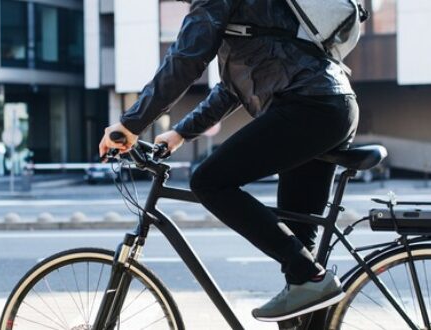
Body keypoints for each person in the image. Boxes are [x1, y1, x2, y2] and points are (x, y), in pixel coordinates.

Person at [97, 0, 359, 321]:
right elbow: (231, 88)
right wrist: (180, 134)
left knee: (208, 181)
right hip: (328, 104)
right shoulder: (249, 16)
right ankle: (308, 285)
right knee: (300, 269)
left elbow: (184, 60)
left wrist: (129, 125)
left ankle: (309, 276)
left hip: (308, 105)